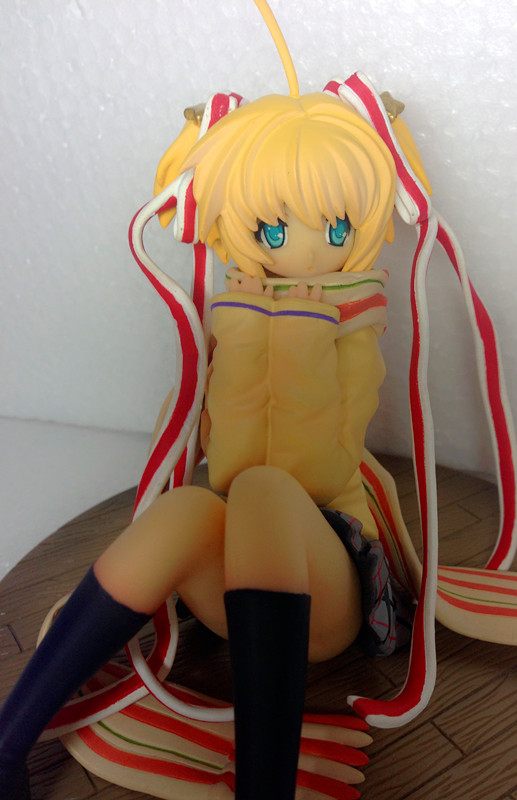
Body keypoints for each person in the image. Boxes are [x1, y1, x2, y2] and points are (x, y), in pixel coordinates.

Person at [0, 79, 422, 800]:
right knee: (189, 508)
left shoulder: (355, 323)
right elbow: (223, 461)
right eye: (276, 232)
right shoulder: (236, 312)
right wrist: (246, 334)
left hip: (327, 593)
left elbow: (318, 473)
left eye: (336, 228)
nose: (307, 250)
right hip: (239, 588)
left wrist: (300, 335)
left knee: (263, 488)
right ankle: (9, 744)